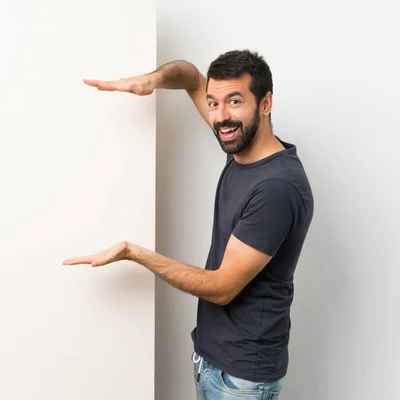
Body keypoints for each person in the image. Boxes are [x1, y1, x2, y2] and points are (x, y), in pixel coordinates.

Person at [63, 49, 314, 400]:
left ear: (265, 103)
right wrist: (152, 80)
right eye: (213, 103)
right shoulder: (242, 144)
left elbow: (222, 287)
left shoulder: (276, 187)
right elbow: (191, 76)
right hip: (216, 361)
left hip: (240, 379)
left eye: (235, 101)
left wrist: (134, 253)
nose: (221, 116)